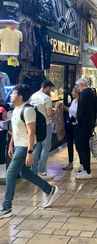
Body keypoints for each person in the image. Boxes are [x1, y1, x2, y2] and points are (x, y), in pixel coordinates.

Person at [0, 84, 58, 219]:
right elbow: (15, 129)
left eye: (13, 93)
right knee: (23, 172)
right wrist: (10, 145)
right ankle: (49, 189)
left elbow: (31, 132)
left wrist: (30, 152)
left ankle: (6, 207)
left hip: (25, 146)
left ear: (20, 97)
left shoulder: (28, 110)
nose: (11, 95)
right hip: (18, 145)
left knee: (10, 174)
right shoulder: (16, 109)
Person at [30, 80, 55, 179]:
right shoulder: (46, 98)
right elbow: (49, 114)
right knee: (46, 147)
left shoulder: (33, 96)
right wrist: (55, 112)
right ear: (48, 87)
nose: (50, 91)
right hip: (45, 125)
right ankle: (42, 171)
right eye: (51, 89)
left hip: (35, 125)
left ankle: (34, 170)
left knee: (37, 147)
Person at [75, 77, 97, 179]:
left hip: (83, 124)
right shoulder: (92, 92)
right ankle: (86, 170)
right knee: (85, 146)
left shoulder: (84, 93)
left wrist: (78, 122)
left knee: (80, 146)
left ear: (81, 85)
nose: (77, 88)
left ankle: (87, 171)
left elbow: (81, 109)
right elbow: (94, 109)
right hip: (89, 124)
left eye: (78, 86)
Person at [59, 86, 80, 170]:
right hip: (70, 124)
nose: (71, 93)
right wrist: (63, 106)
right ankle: (70, 162)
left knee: (78, 144)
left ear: (77, 93)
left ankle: (82, 162)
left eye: (73, 91)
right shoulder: (74, 101)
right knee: (69, 143)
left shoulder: (80, 102)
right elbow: (70, 110)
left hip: (77, 125)